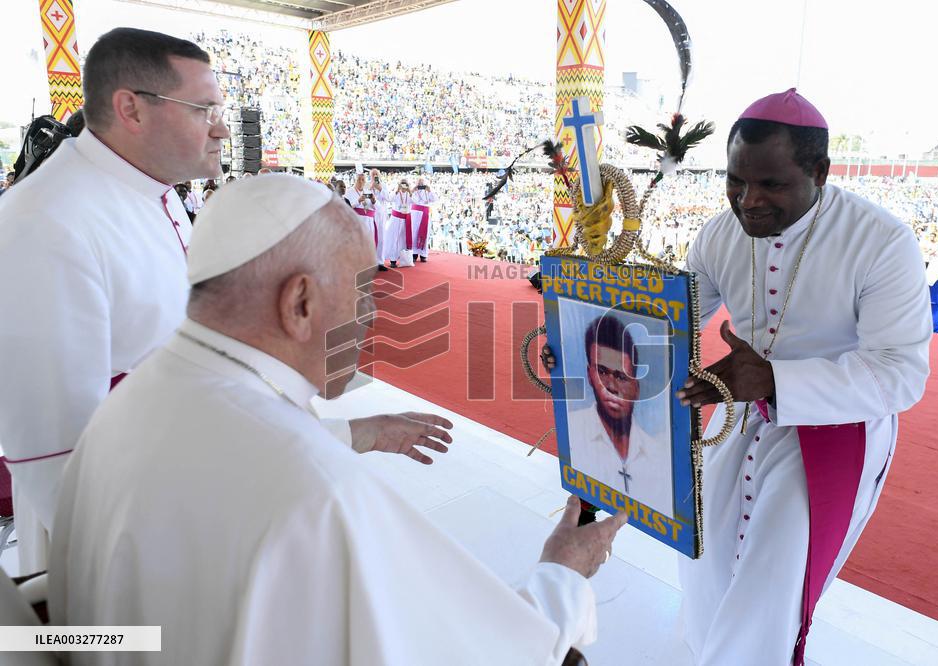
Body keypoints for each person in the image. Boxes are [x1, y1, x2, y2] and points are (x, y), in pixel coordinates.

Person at [49, 174, 627, 665]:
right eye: (363, 293)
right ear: (300, 302)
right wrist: (562, 576)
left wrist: (358, 431)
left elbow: (221, 455)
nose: (373, 315)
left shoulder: (142, 390)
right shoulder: (319, 492)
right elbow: (478, 651)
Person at [673, 89, 930, 665]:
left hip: (834, 426)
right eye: (736, 181)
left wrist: (774, 381)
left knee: (773, 588)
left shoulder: (881, 241)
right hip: (740, 418)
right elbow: (673, 318)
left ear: (820, 173)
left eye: (771, 184)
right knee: (704, 562)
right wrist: (597, 333)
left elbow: (900, 373)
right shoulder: (717, 234)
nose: (748, 202)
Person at [0, 27, 230, 573]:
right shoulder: (47, 221)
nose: (221, 128)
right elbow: (58, 452)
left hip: (180, 489)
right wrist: (153, 567)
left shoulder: (149, 190)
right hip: (125, 537)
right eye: (204, 109)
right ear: (131, 109)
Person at [567, 314, 673, 515]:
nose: (611, 386)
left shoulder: (658, 454)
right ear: (589, 375)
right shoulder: (572, 429)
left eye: (621, 377)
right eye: (602, 372)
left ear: (636, 388)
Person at [344, 172, 377, 250]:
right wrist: (358, 201)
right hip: (356, 221)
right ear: (355, 180)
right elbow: (346, 207)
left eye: (363, 180)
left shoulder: (368, 192)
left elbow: (374, 208)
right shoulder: (349, 192)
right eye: (359, 179)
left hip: (368, 222)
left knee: (368, 244)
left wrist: (373, 201)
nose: (361, 181)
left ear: (365, 181)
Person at [385, 178, 413, 268]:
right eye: (402, 184)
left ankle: (404, 259)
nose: (404, 186)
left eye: (405, 184)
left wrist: (410, 190)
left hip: (405, 219)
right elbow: (388, 199)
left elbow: (415, 201)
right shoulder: (396, 193)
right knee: (394, 239)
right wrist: (397, 189)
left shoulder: (409, 194)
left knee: (403, 239)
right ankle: (393, 259)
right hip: (396, 219)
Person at [409, 176, 438, 262]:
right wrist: (412, 191)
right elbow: (408, 199)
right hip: (415, 214)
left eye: (422, 182)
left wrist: (430, 191)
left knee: (425, 233)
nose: (420, 184)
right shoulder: (413, 191)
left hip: (425, 214)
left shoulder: (428, 191)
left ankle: (423, 254)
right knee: (414, 233)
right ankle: (414, 253)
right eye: (419, 182)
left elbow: (435, 199)